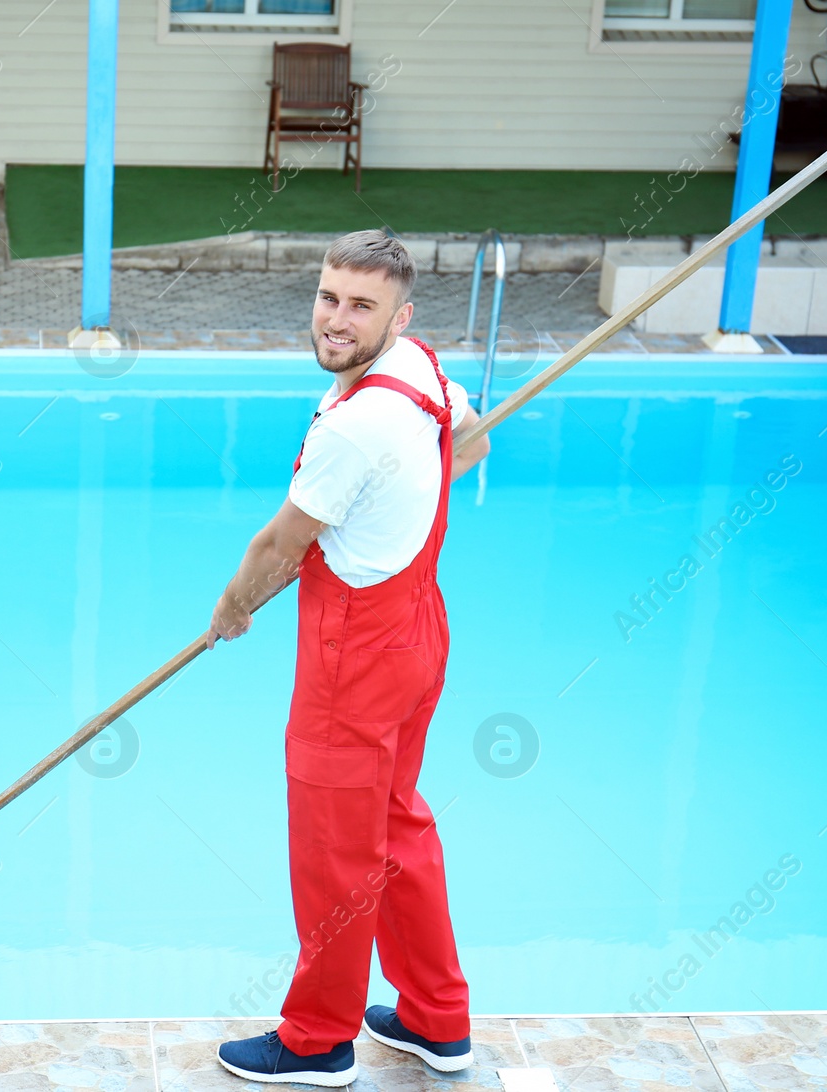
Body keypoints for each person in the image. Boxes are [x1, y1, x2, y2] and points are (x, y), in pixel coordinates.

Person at [207, 230, 490, 1086]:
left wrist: (232, 608)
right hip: (417, 632)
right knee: (398, 824)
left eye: (360, 306)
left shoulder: (357, 424)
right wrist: (386, 514)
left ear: (397, 315)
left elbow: (281, 543)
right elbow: (468, 444)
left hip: (355, 657)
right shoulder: (426, 374)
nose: (337, 319)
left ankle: (317, 1040)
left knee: (337, 852)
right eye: (329, 297)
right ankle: (436, 1021)